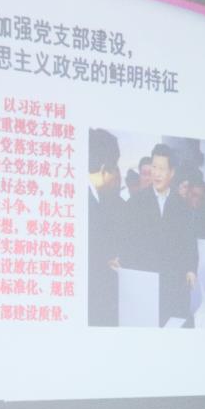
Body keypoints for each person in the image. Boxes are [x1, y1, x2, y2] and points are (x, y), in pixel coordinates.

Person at [122, 143, 197, 326]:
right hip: (146, 282)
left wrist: (191, 269)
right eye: (154, 167)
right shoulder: (136, 203)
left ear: (172, 172)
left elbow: (189, 241)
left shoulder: (182, 205)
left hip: (174, 283)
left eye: (162, 169)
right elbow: (127, 244)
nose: (156, 173)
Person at [88, 129, 124, 326]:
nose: (116, 176)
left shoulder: (96, 198)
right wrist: (105, 262)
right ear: (104, 170)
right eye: (115, 168)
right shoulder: (89, 201)